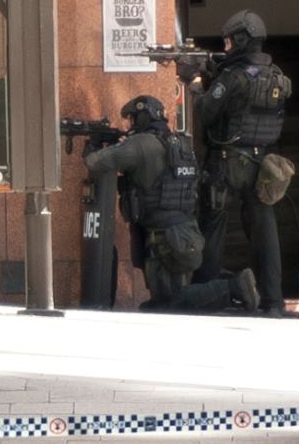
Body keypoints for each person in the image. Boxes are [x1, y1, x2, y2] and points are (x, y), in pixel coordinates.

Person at [82, 94, 260, 315]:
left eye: (131, 120)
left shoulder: (141, 144)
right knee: (161, 304)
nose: (128, 126)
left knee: (170, 303)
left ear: (143, 118)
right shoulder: (180, 144)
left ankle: (234, 287)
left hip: (164, 241)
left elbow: (94, 163)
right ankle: (230, 288)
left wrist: (93, 145)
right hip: (185, 233)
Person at [184, 10, 299, 318]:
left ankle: (208, 297)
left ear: (242, 40)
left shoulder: (233, 78)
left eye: (229, 42)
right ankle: (273, 302)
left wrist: (195, 84)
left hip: (227, 163)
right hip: (263, 164)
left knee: (214, 228)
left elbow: (207, 112)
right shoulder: (276, 76)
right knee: (264, 232)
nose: (225, 48)